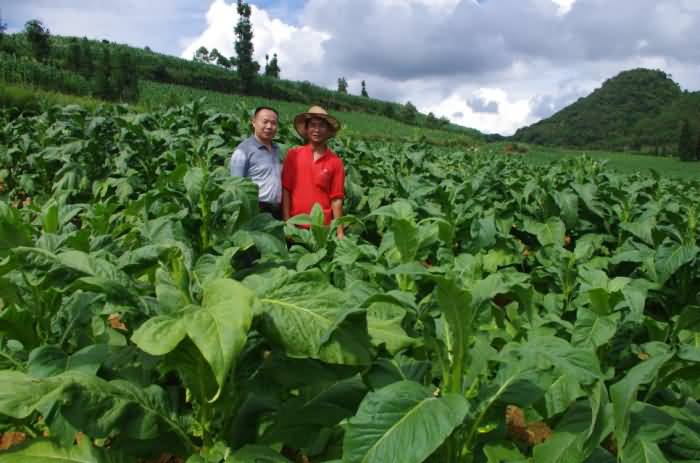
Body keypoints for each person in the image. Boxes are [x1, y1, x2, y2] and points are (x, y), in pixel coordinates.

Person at [282, 106, 345, 238]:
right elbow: (286, 190)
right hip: (296, 225)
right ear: (306, 128)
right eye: (313, 125)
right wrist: (287, 221)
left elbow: (336, 200)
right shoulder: (293, 154)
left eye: (321, 126)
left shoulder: (336, 162)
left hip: (322, 228)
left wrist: (340, 232)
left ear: (327, 130)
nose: (317, 130)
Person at [230, 106, 282, 219]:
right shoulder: (243, 151)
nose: (269, 126)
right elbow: (236, 187)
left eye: (273, 123)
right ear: (253, 122)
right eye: (265, 122)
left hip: (277, 210)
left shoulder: (276, 149)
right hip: (256, 209)